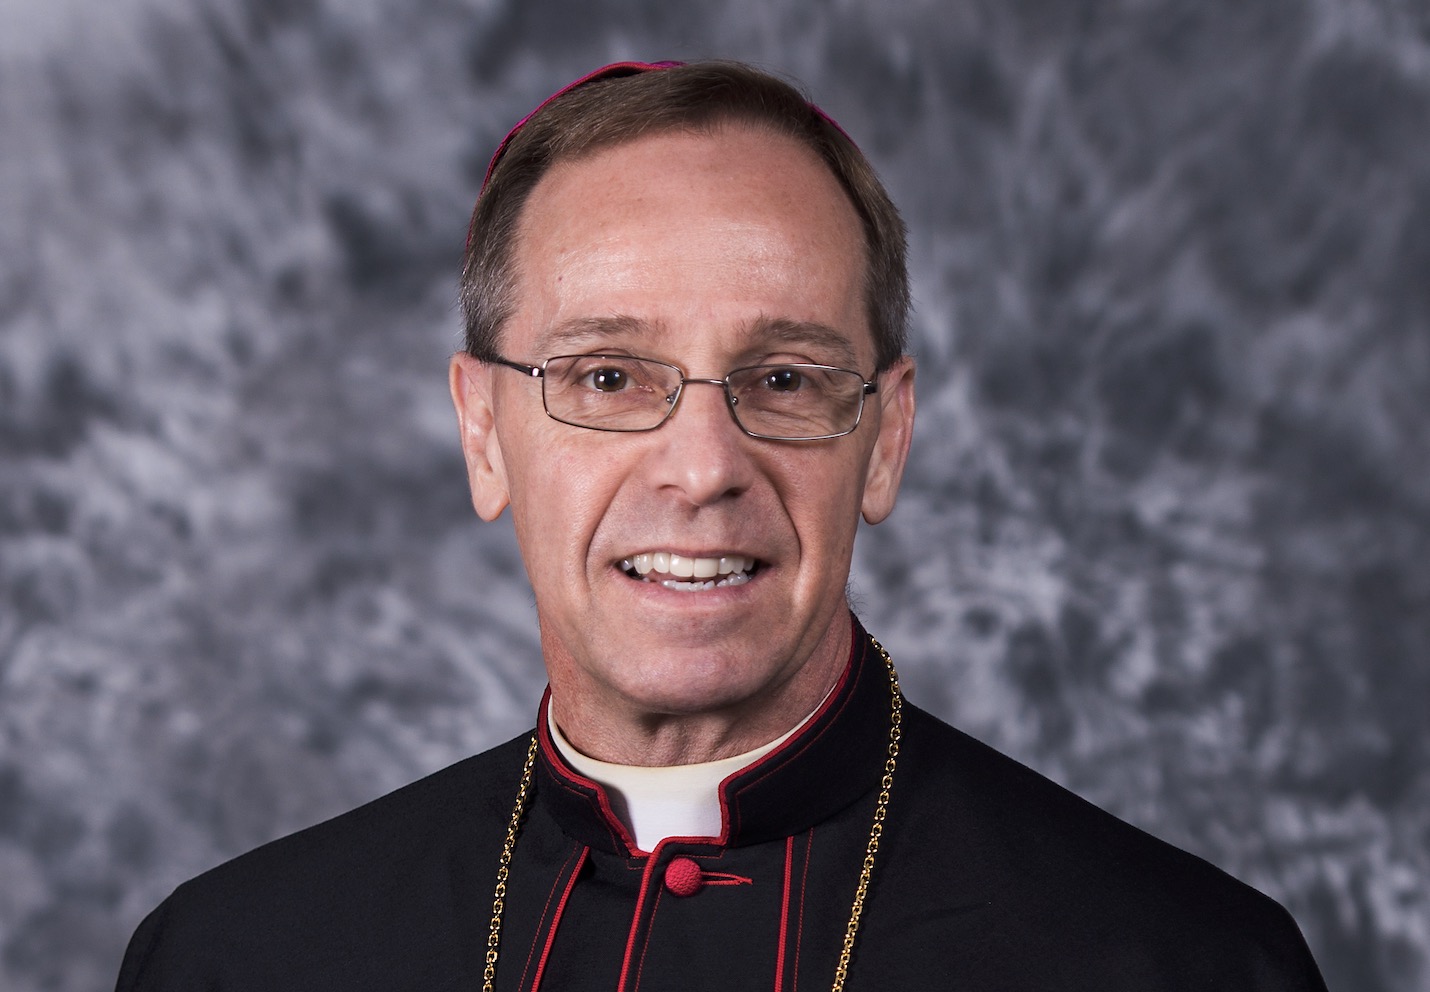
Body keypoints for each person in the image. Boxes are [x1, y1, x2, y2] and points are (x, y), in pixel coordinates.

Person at [115, 60, 1328, 991]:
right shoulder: (238, 954)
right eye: (604, 378)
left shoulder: (1178, 960)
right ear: (483, 432)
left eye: (788, 379)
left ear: (886, 437)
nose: (701, 469)